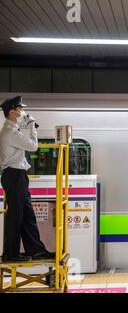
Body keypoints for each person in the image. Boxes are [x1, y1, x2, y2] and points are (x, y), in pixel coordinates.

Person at [0, 96, 54, 262]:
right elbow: (33, 146)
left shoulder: (12, 130)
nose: (23, 112)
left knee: (27, 214)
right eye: (20, 109)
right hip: (14, 175)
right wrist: (31, 127)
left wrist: (26, 125)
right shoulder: (10, 132)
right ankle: (10, 254)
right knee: (15, 216)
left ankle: (36, 250)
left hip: (17, 176)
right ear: (12, 112)